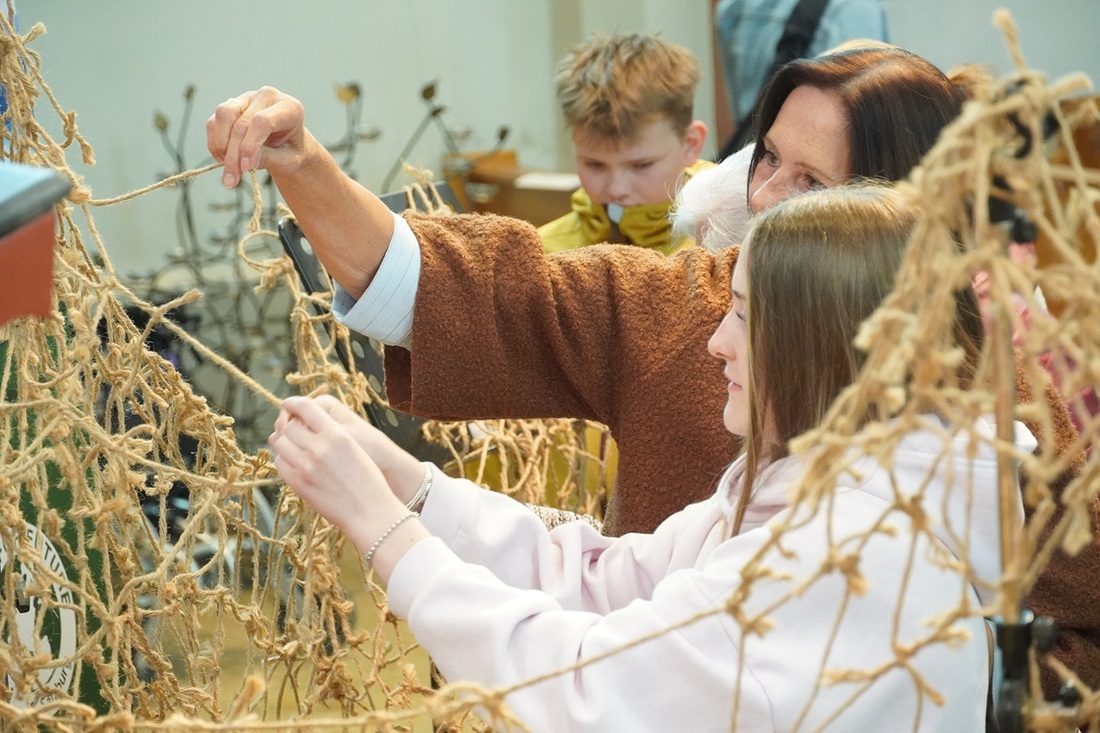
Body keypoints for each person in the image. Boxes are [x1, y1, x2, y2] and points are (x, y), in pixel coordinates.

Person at [207, 46, 1097, 696]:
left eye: (812, 183)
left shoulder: (947, 458)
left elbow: (599, 683)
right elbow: (602, 571)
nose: (766, 198)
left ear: (885, 228)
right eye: (768, 161)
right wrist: (307, 168)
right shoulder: (689, 307)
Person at [269, 185, 1019, 731]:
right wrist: (409, 485)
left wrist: (380, 529)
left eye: (745, 318)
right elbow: (605, 580)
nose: (716, 342)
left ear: (828, 347)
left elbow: (588, 685)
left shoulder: (845, 555)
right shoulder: (815, 487)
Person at [537, 32, 711, 254]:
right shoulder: (543, 254)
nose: (617, 190)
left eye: (641, 165)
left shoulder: (734, 242)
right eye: (594, 165)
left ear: (690, 143)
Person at [710, 0, 889, 159]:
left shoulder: (734, 6)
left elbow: (746, 113)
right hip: (820, 174)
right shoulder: (855, 9)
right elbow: (864, 127)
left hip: (760, 160)